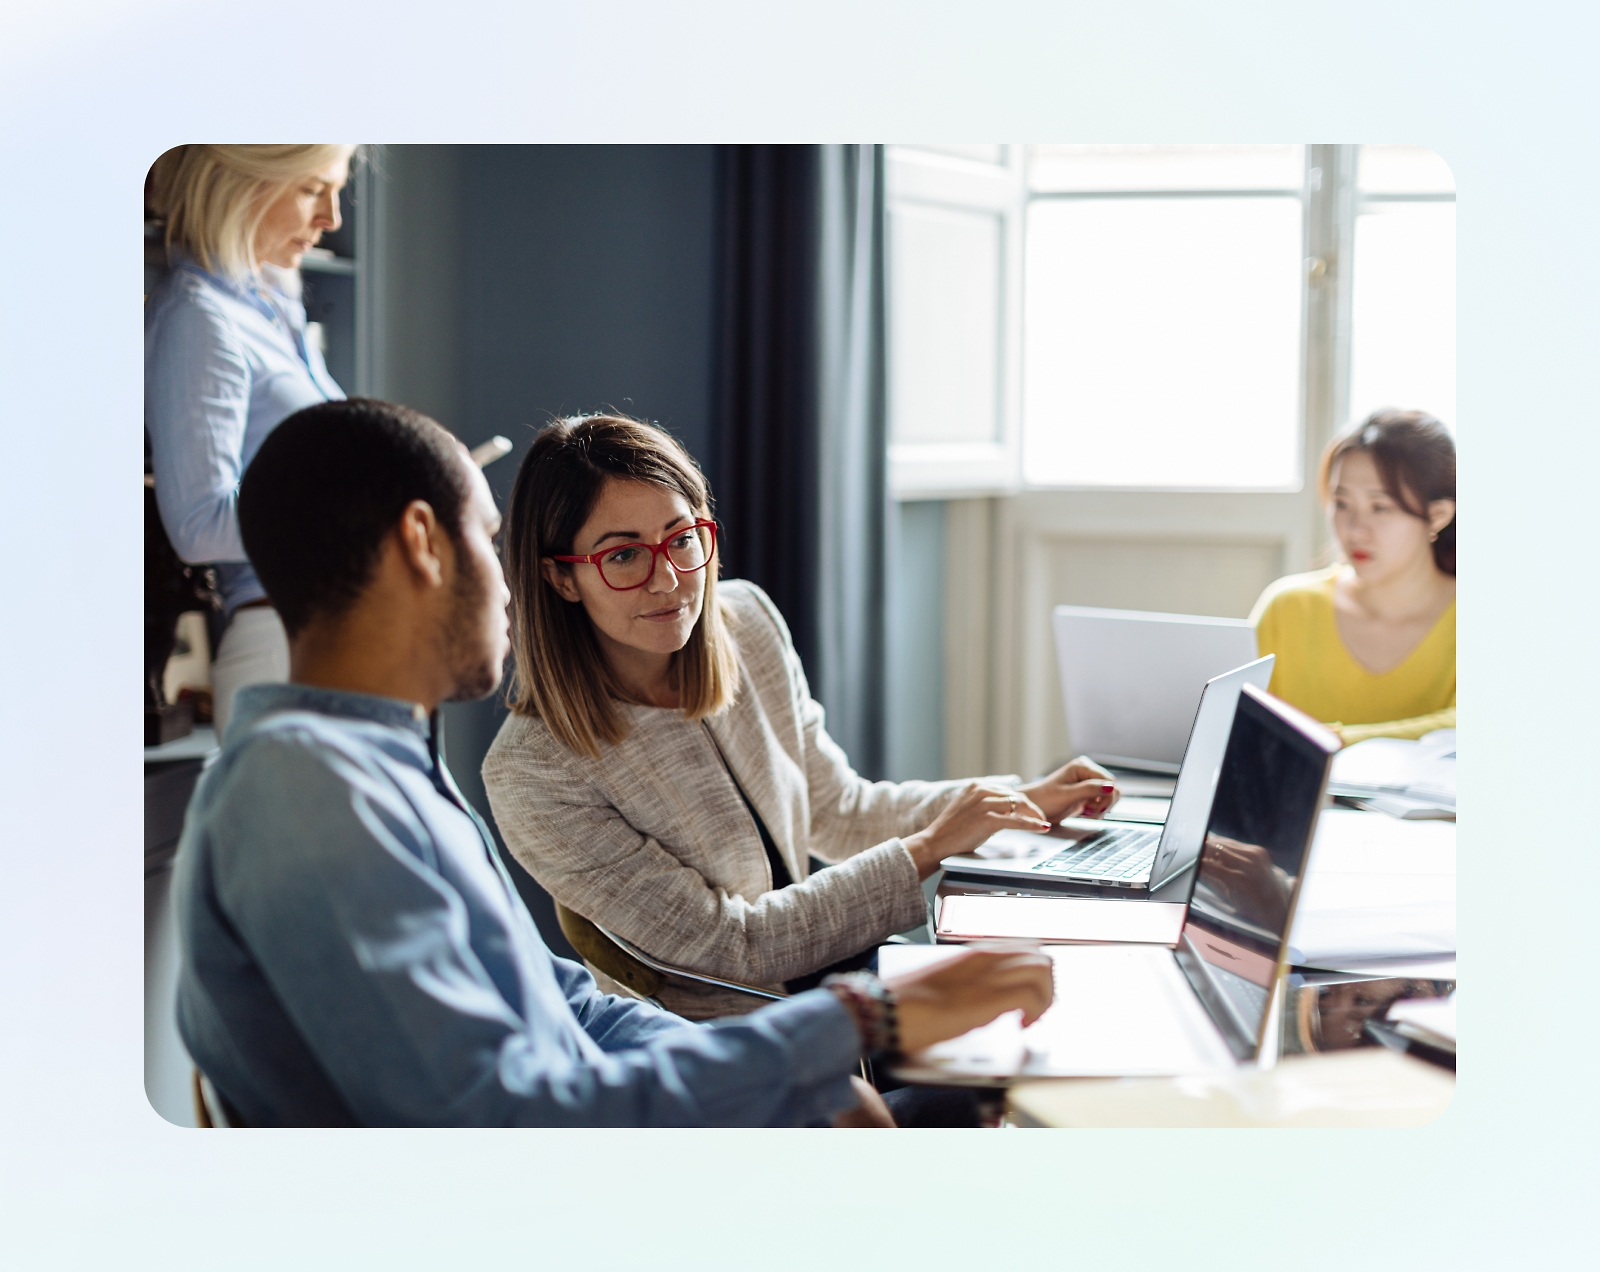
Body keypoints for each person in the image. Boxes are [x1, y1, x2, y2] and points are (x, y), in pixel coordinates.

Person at [172, 397, 1055, 1128]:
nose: (508, 583)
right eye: (487, 539)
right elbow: (513, 1116)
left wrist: (798, 1070)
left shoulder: (378, 765)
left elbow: (568, 1003)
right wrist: (851, 1026)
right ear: (422, 543)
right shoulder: (308, 799)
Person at [481, 414, 1119, 1023]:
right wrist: (930, 848)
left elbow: (838, 809)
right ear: (562, 580)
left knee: (1083, 990)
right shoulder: (533, 772)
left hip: (849, 978)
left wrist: (1016, 801)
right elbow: (739, 948)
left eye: (681, 539)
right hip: (743, 1043)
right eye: (623, 556)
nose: (670, 580)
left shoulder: (746, 624)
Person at [145, 144, 355, 737]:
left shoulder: (265, 303)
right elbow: (198, 523)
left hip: (330, 638)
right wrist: (367, 507)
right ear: (239, 183)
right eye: (313, 189)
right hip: (285, 649)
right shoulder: (197, 317)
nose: (332, 218)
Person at [1250, 410, 1456, 746]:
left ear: (1437, 516)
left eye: (1380, 507)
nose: (1356, 529)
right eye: (1342, 503)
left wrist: (1333, 741)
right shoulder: (1288, 608)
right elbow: (1235, 724)